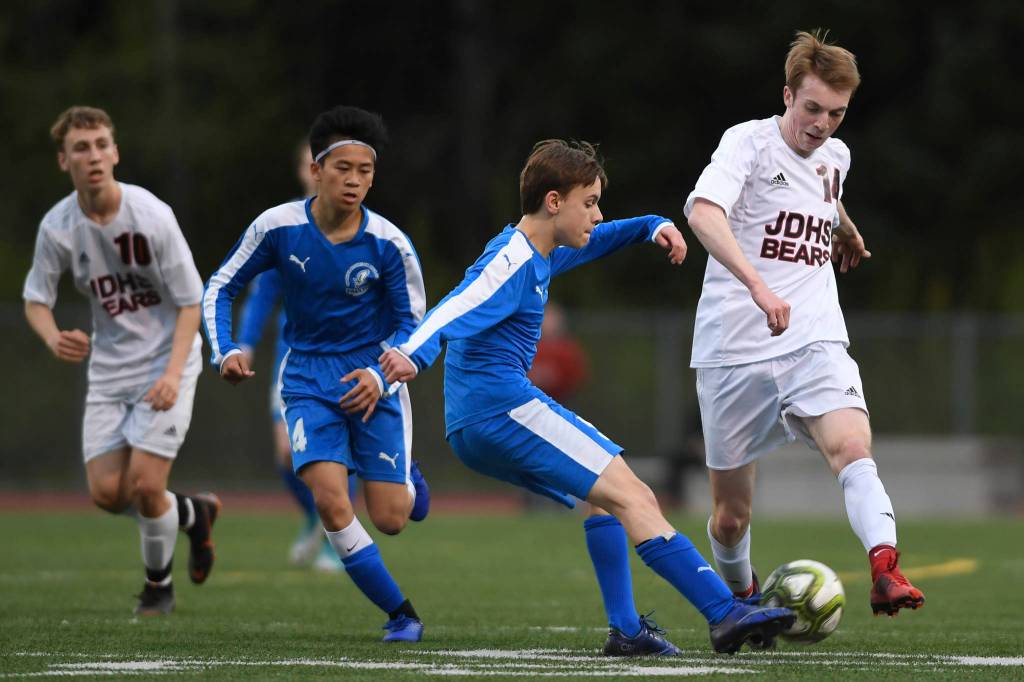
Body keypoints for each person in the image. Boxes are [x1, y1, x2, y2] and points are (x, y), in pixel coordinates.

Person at [381, 139, 794, 655]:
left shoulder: (540, 253)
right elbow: (457, 304)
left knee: (601, 500)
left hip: (477, 422)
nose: (597, 215)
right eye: (590, 202)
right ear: (554, 202)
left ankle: (626, 629)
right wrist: (412, 353)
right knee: (635, 495)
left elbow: (599, 241)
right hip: (499, 410)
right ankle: (724, 611)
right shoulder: (511, 257)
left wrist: (649, 226)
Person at [683, 30, 925, 616]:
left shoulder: (836, 156)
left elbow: (824, 188)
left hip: (813, 337)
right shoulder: (748, 144)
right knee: (731, 514)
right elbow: (702, 211)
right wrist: (758, 285)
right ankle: (742, 598)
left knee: (851, 446)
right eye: (812, 108)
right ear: (787, 95)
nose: (821, 124)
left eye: (836, 113)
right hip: (733, 348)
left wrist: (843, 225)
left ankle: (885, 569)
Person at [203, 105, 430, 642]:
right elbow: (222, 286)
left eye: (365, 171)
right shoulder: (277, 227)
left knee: (392, 518)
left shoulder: (389, 244)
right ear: (316, 168)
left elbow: (416, 328)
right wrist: (227, 349)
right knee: (331, 501)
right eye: (343, 168)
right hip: (304, 377)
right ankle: (402, 614)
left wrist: (382, 376)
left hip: (373, 377)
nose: (354, 181)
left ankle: (407, 478)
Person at [23, 106, 220, 616]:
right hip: (110, 370)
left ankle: (159, 588)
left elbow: (189, 302)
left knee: (145, 486)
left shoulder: (152, 215)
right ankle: (195, 514)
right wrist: (51, 337)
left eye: (101, 144)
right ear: (63, 160)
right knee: (108, 495)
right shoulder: (58, 226)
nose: (93, 156)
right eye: (81, 148)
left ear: (116, 152)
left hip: (165, 361)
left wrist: (174, 374)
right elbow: (35, 299)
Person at [236, 141, 347, 572]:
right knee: (288, 454)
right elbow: (262, 295)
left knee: (335, 453)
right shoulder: (283, 227)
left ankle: (333, 541)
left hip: (346, 358)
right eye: (309, 163)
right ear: (306, 171)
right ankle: (316, 517)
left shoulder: (364, 229)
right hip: (294, 359)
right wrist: (242, 343)